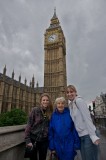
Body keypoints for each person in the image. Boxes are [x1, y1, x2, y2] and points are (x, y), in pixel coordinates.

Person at [66, 85, 100, 160]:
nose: (69, 94)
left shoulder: (79, 101)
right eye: (67, 92)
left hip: (88, 135)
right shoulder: (71, 105)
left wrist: (93, 135)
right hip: (81, 136)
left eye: (71, 92)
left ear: (75, 92)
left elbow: (87, 118)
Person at [25, 93, 53, 160]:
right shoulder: (35, 110)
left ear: (49, 102)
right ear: (40, 101)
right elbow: (29, 125)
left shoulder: (51, 112)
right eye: (43, 100)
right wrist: (28, 140)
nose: (45, 101)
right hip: (33, 139)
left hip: (44, 141)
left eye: (47, 100)